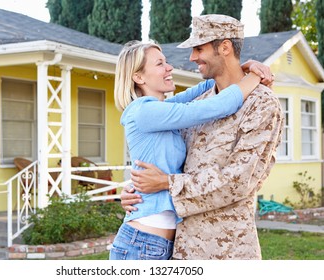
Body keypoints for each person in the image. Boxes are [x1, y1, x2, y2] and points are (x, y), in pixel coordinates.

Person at [120, 14, 284, 260]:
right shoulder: (177, 109)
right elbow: (212, 108)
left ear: (225, 47)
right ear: (138, 77)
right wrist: (136, 189)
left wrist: (165, 183)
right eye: (160, 63)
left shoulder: (261, 104)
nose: (191, 58)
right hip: (178, 249)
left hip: (227, 251)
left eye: (198, 48)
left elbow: (237, 181)